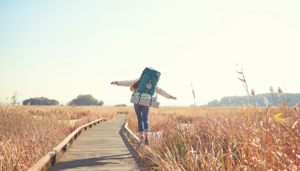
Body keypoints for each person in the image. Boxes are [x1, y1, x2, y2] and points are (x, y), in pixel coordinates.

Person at [111, 78, 176, 145]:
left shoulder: (140, 79)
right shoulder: (153, 83)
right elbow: (160, 91)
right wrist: (170, 96)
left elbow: (128, 82)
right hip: (146, 101)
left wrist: (116, 82)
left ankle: (142, 138)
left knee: (139, 119)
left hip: (137, 100)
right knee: (145, 119)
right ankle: (147, 135)